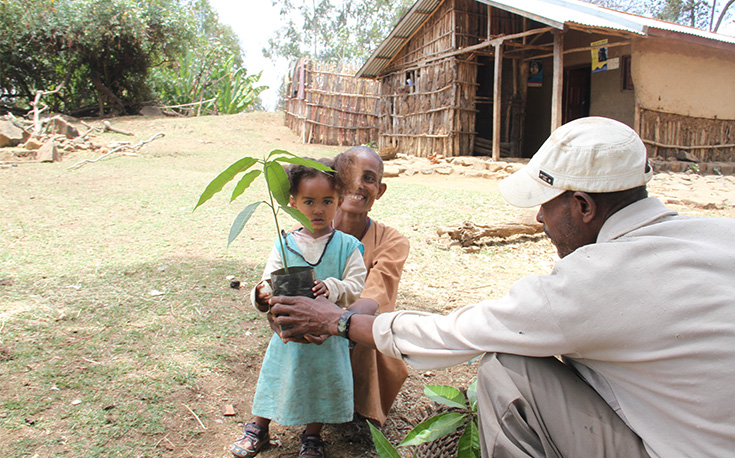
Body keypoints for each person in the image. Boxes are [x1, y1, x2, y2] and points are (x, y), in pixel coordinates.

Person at [268, 117, 735, 458]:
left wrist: (340, 319)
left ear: (583, 206)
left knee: (507, 369)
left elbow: (460, 332)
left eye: (545, 205)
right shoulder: (721, 235)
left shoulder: (596, 278)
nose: (538, 218)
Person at [231, 158, 367, 458]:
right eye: (308, 201)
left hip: (326, 336)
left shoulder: (347, 246)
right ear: (292, 202)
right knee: (276, 377)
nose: (318, 209)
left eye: (327, 201)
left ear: (340, 201)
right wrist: (261, 294)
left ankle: (312, 436)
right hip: (288, 334)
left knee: (321, 382)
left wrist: (334, 287)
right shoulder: (284, 244)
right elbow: (268, 280)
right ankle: (258, 428)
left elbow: (356, 285)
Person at [332, 146, 410, 426]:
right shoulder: (312, 231)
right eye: (348, 176)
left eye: (368, 178)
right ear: (335, 181)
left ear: (380, 189)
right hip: (317, 321)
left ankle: (360, 411)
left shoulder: (392, 241)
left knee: (363, 324)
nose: (357, 185)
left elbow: (376, 293)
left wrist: (332, 322)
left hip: (355, 327)